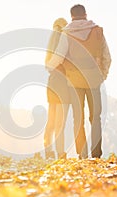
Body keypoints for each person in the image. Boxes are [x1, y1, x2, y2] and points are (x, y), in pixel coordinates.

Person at [48, 4, 112, 159]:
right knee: (95, 117)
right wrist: (102, 75)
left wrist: (49, 67)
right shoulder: (97, 31)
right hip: (94, 80)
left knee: (78, 118)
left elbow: (59, 56)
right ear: (85, 14)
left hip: (74, 80)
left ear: (71, 16)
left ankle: (82, 154)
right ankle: (96, 154)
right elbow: (107, 57)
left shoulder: (67, 33)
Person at [44, 18, 70, 160]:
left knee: (51, 119)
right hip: (64, 83)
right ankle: (60, 153)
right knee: (60, 121)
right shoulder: (66, 40)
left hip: (52, 82)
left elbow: (47, 65)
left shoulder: (51, 42)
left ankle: (48, 151)